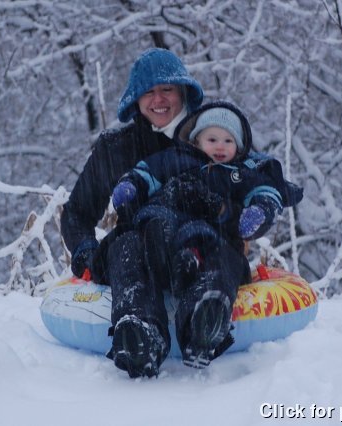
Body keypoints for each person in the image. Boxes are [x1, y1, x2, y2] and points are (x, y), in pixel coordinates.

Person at [110, 101, 302, 369]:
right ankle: (139, 329)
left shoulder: (240, 172)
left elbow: (266, 191)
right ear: (196, 140)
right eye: (212, 139)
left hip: (211, 239)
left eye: (228, 140)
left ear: (239, 147)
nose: (220, 146)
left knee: (222, 258)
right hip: (163, 231)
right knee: (129, 243)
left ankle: (203, 322)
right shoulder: (176, 159)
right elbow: (147, 173)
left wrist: (260, 211)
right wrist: (131, 185)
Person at [60, 47, 205, 377]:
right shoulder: (116, 147)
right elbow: (77, 212)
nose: (159, 100)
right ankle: (139, 335)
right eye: (148, 92)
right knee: (125, 245)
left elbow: (250, 184)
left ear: (183, 92)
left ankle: (205, 322)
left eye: (167, 89)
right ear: (136, 99)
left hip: (196, 250)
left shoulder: (212, 135)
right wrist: (85, 251)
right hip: (136, 258)